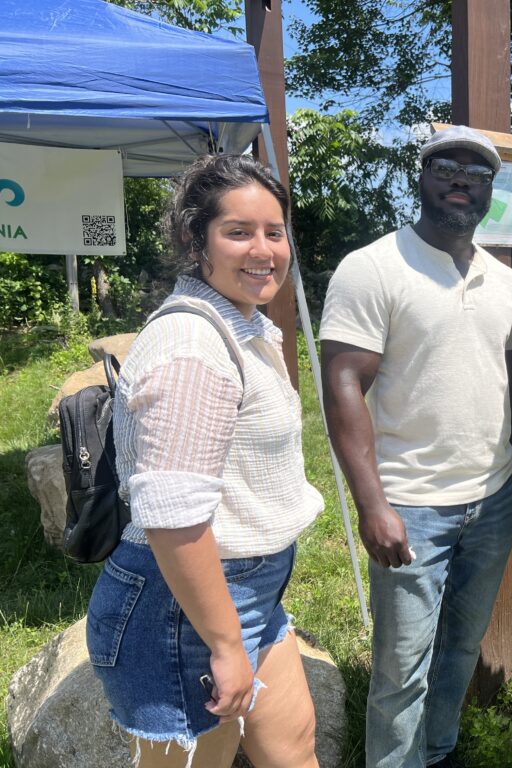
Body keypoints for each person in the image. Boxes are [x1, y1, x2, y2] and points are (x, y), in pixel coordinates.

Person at [86, 154, 325, 768]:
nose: (263, 249)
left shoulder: (243, 326)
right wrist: (224, 643)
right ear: (198, 242)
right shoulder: (191, 345)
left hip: (251, 592)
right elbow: (172, 517)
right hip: (184, 607)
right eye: (238, 232)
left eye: (275, 232)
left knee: (293, 752)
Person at [320, 125, 512, 768]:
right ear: (421, 176)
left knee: (459, 652)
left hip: (490, 499)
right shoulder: (374, 267)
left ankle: (436, 754)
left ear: (491, 191)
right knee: (400, 670)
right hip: (410, 502)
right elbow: (343, 382)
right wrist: (373, 505)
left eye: (478, 172)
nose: (463, 179)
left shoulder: (504, 281)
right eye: (448, 166)